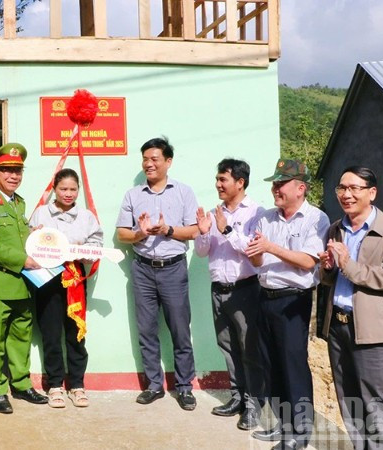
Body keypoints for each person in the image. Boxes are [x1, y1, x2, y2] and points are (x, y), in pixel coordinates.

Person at [318, 166, 383, 450]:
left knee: (376, 399)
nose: (346, 194)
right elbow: (330, 279)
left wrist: (349, 265)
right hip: (339, 325)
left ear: (372, 193)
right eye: (341, 188)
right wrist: (328, 268)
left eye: (354, 188)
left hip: (373, 330)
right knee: (348, 397)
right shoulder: (335, 229)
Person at [245, 158, 329, 450]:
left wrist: (270, 247)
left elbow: (307, 262)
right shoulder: (267, 218)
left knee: (293, 365)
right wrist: (257, 251)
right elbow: (258, 261)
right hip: (265, 297)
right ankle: (283, 425)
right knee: (271, 365)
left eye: (281, 183)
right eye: (274, 184)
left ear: (300, 188)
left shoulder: (315, 219)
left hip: (293, 301)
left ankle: (301, 432)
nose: (275, 189)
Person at [115, 137, 199, 411]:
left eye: (154, 159)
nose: (148, 164)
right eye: (145, 159)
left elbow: (194, 231)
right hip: (142, 269)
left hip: (173, 268)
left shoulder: (183, 192)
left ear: (168, 162)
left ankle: (184, 387)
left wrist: (168, 230)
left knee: (180, 330)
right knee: (147, 329)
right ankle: (154, 385)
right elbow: (122, 234)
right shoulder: (133, 195)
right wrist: (139, 234)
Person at [0, 143, 48, 414]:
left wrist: (34, 237)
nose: (13, 176)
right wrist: (22, 260)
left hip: (22, 285)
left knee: (20, 338)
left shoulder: (19, 203)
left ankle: (22, 384)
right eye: (7, 170)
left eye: (18, 171)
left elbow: (16, 238)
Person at [194, 158, 266, 429]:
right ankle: (237, 397)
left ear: (240, 182)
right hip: (218, 290)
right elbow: (202, 252)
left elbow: (252, 250)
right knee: (228, 347)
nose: (218, 184)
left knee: (249, 349)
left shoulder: (257, 213)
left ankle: (254, 404)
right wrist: (204, 233)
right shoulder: (214, 213)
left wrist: (226, 229)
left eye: (223, 179)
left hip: (245, 290)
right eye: (217, 179)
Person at [29, 168, 103, 408]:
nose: (68, 193)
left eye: (73, 189)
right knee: (50, 333)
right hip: (47, 278)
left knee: (75, 333)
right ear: (54, 189)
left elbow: (97, 244)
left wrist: (82, 251)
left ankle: (77, 385)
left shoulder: (86, 217)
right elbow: (29, 241)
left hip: (74, 277)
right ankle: (55, 386)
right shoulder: (41, 213)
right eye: (63, 189)